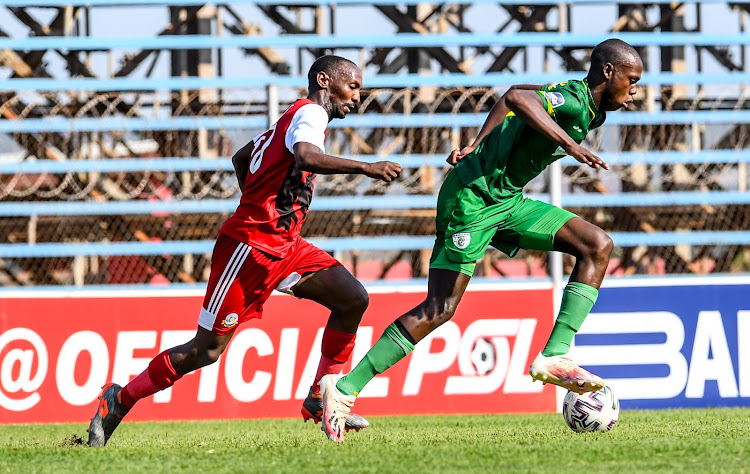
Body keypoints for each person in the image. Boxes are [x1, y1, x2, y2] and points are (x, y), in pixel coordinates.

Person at [317, 39, 643, 442]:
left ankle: (555, 355)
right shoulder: (575, 102)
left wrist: (476, 141)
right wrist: (568, 144)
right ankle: (343, 389)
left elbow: (513, 105)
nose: (635, 92)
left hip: (507, 201)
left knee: (596, 245)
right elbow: (515, 98)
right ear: (608, 72)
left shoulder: (593, 115)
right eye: (632, 81)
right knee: (440, 308)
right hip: (471, 199)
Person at [87, 55, 402, 447]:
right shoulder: (310, 115)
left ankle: (324, 398)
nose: (357, 96)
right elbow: (305, 156)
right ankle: (119, 399)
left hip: (286, 247)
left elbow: (241, 158)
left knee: (353, 298)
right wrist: (367, 168)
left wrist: (260, 197)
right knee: (206, 350)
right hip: (249, 249)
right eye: (352, 86)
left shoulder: (289, 118)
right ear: (324, 80)